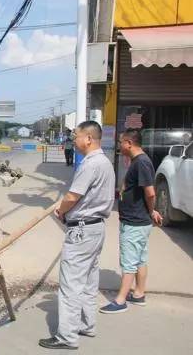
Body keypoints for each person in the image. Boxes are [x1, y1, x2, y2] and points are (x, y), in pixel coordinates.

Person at [39, 121, 115, 350]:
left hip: (82, 230)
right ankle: (86, 324)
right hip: (95, 228)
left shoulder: (91, 164)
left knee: (71, 284)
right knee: (89, 281)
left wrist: (61, 211)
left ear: (89, 138)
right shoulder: (105, 162)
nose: (75, 140)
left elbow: (73, 196)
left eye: (77, 136)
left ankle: (67, 337)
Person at [99, 128, 163, 314]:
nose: (119, 146)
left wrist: (151, 211)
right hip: (138, 220)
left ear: (129, 143)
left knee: (129, 262)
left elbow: (150, 193)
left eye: (121, 142)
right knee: (140, 259)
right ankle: (138, 294)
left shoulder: (141, 163)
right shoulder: (138, 161)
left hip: (135, 221)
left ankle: (120, 301)